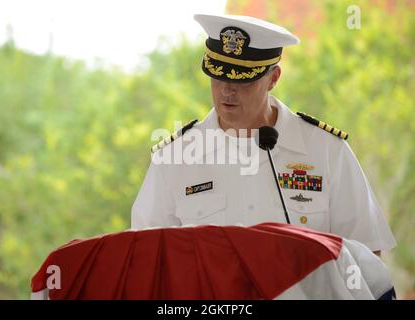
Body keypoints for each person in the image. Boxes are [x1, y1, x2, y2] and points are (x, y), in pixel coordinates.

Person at [131, 14, 396, 256]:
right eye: (218, 76)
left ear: (274, 78)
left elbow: (367, 252)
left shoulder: (326, 150)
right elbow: (146, 257)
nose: (227, 91)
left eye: (242, 79)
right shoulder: (174, 158)